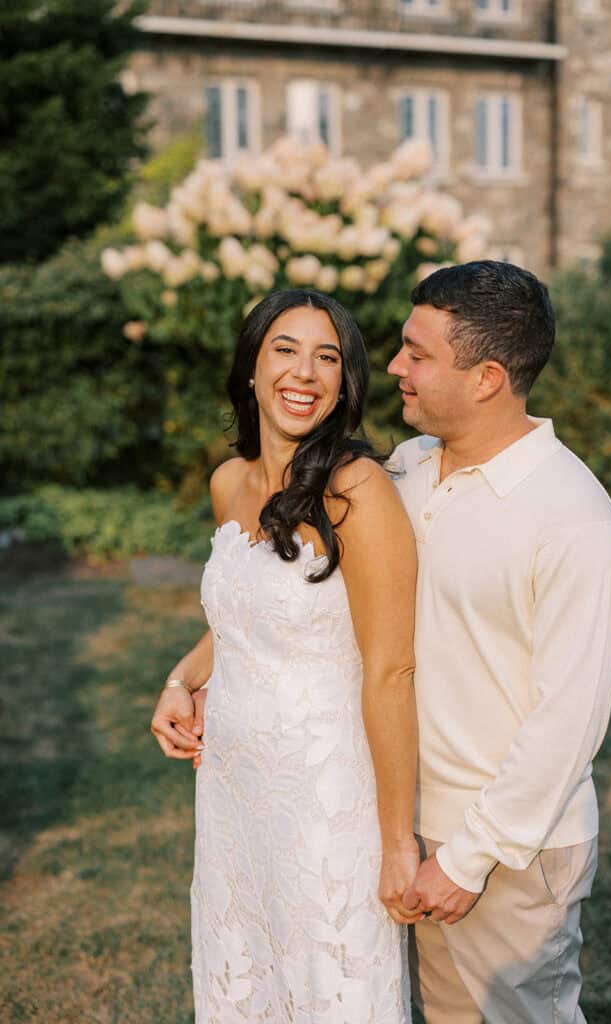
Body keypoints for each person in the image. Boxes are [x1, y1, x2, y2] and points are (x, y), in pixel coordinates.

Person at [150, 289, 419, 1023]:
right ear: (250, 370)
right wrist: (183, 679)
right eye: (285, 349)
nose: (305, 372)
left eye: (326, 357)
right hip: (235, 790)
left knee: (329, 988)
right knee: (247, 977)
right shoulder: (227, 483)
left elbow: (392, 670)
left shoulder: (356, 491)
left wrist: (399, 846)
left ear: (344, 384)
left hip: (324, 797)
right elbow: (246, 615)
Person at [387, 261, 611, 1024]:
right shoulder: (407, 472)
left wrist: (466, 858)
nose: (394, 367)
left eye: (417, 354)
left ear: (487, 377)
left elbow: (569, 720)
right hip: (416, 824)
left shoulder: (570, 516)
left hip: (511, 852)